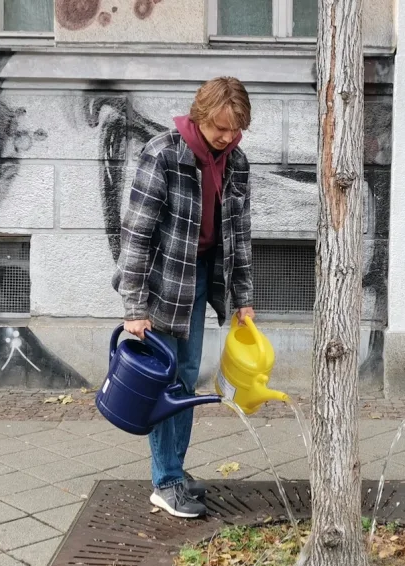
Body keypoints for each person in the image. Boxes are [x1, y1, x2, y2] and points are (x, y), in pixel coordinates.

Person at [113, 77, 255, 519]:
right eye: (220, 128)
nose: (228, 137)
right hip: (162, 281)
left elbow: (240, 235)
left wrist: (242, 298)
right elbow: (136, 233)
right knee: (165, 381)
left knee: (187, 379)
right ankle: (166, 482)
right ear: (200, 116)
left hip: (201, 277)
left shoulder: (237, 162)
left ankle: (173, 469)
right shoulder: (163, 153)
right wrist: (135, 307)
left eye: (235, 129)